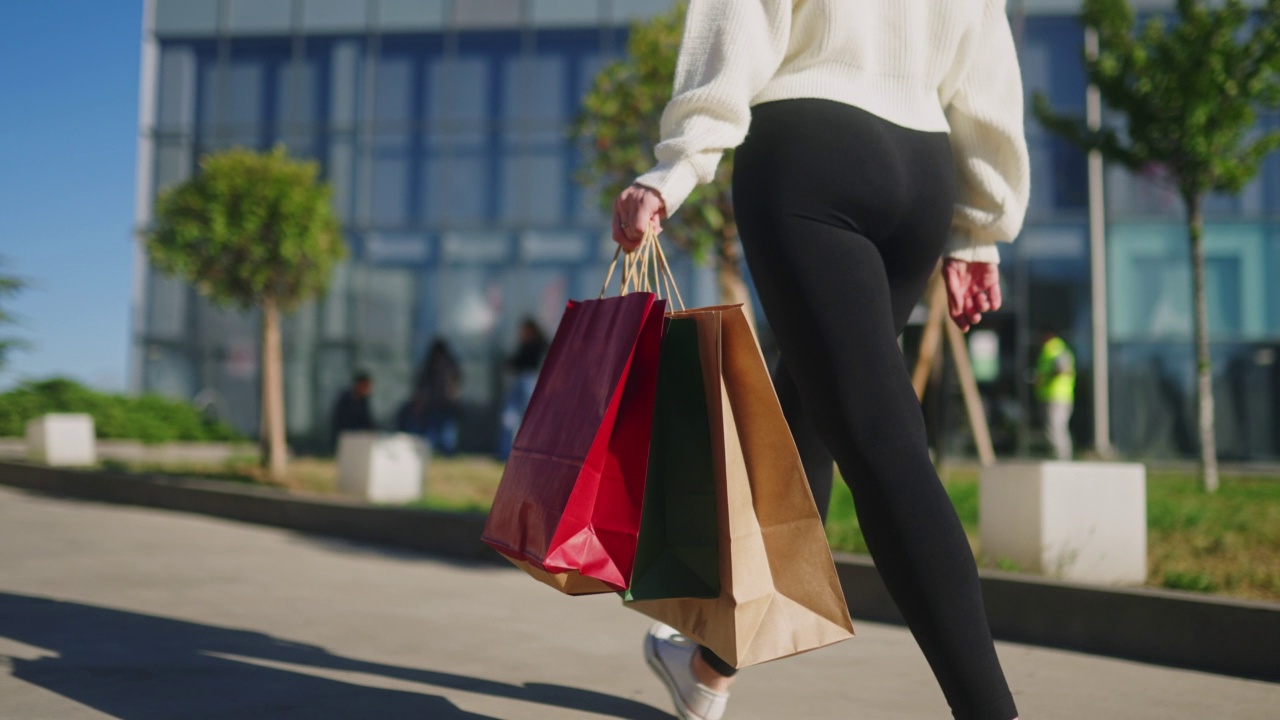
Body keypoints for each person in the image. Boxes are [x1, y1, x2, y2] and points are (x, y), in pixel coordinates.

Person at [612, 2, 1029, 720]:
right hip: (921, 170)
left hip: (808, 151)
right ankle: (708, 668)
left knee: (880, 442)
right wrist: (977, 229)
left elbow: (742, 16)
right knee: (811, 411)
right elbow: (984, 53)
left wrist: (677, 165)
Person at [398, 339, 463, 455]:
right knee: (440, 431)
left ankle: (440, 451)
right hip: (440, 404)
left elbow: (423, 385)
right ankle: (442, 451)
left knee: (441, 431)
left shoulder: (433, 365)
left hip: (440, 403)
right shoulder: (448, 365)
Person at [497, 319, 549, 460]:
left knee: (526, 417)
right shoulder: (529, 345)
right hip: (522, 380)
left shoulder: (537, 345)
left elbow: (523, 362)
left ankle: (526, 452)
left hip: (529, 380)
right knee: (510, 417)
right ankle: (505, 453)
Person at [1036, 332, 1076, 460]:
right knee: (1055, 428)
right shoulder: (1053, 350)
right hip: (1054, 396)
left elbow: (1063, 369)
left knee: (1056, 428)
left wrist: (1045, 378)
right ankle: (1060, 457)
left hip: (1057, 396)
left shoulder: (1055, 349)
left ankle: (1062, 458)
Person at [330, 370, 375, 452]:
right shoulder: (345, 399)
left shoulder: (363, 401)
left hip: (359, 437)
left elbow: (366, 420)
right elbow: (340, 420)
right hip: (346, 437)